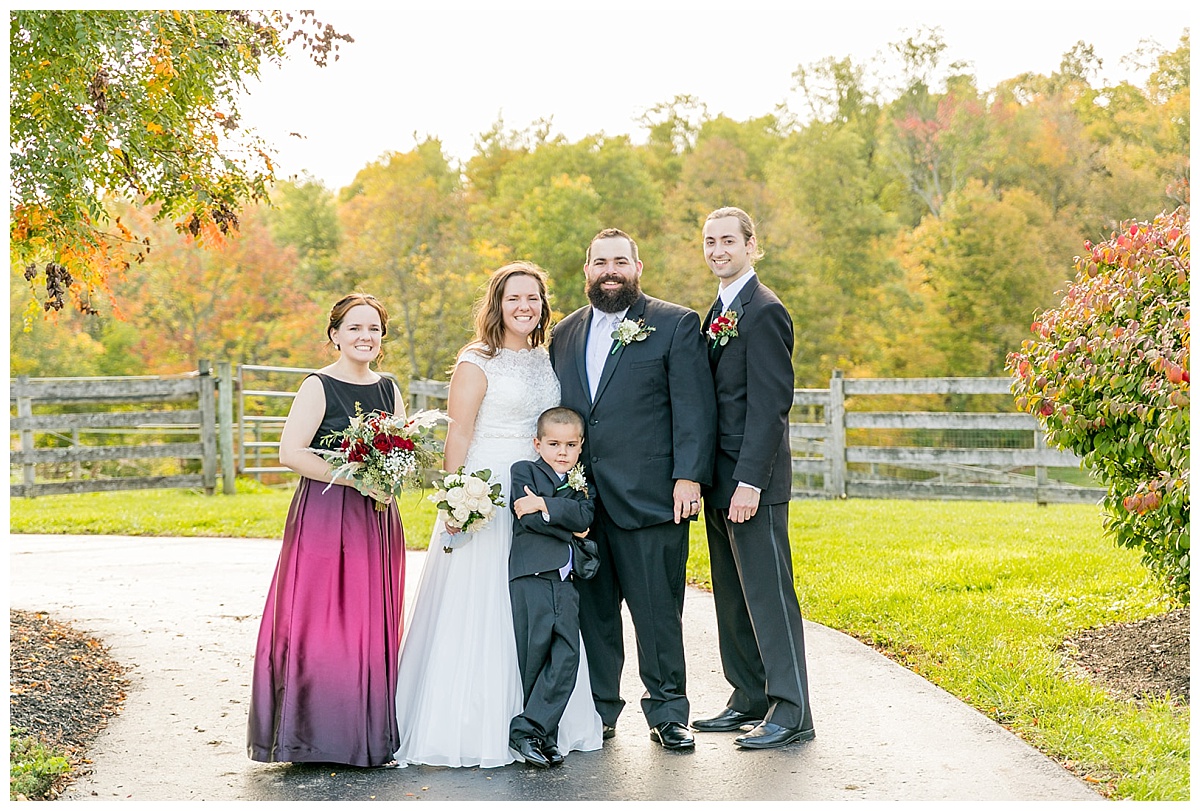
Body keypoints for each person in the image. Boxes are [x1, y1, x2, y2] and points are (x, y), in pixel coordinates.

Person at [393, 262, 602, 768]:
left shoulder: (545, 358)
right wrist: (454, 497)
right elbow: (459, 431)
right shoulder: (476, 359)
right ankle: (475, 721)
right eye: (514, 298)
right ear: (497, 304)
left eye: (533, 298)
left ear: (543, 304)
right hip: (487, 490)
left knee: (534, 601)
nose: (524, 307)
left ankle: (534, 718)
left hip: (537, 486)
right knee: (482, 599)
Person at [549, 228, 716, 750]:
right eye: (600, 262)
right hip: (585, 501)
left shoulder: (674, 324)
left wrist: (688, 476)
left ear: (638, 267)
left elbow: (695, 408)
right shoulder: (566, 332)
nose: (610, 270)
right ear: (586, 270)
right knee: (594, 614)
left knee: (657, 613)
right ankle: (600, 710)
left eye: (620, 261)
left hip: (652, 499)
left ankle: (668, 712)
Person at [247, 293, 406, 767]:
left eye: (374, 329)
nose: (365, 337)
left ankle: (364, 734)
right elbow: (290, 452)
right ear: (335, 335)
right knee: (321, 618)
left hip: (376, 516)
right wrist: (355, 476)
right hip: (325, 510)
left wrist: (387, 482)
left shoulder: (389, 388)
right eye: (354, 328)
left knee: (368, 620)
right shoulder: (318, 386)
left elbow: (401, 447)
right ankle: (312, 735)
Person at [691, 207, 816, 749]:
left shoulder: (764, 311)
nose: (718, 250)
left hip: (751, 485)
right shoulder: (718, 310)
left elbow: (770, 407)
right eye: (709, 241)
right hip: (719, 481)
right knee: (732, 595)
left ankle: (792, 711)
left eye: (727, 241)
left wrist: (750, 483)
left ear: (750, 245)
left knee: (768, 595)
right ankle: (748, 696)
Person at [507, 406, 597, 768]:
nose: (562, 452)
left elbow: (586, 518)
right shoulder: (523, 471)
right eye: (554, 443)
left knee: (567, 657)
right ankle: (538, 734)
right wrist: (566, 520)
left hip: (567, 580)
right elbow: (527, 520)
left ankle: (531, 729)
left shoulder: (581, 481)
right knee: (535, 655)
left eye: (571, 445)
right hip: (533, 575)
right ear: (538, 443)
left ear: (580, 446)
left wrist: (543, 503)